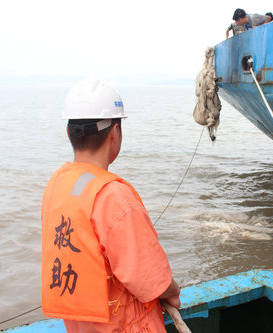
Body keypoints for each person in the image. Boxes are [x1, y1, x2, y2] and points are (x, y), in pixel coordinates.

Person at [41, 79, 181, 332]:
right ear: (114, 134)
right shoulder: (112, 196)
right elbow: (150, 279)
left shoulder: (57, 185)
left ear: (69, 133)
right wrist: (173, 290)